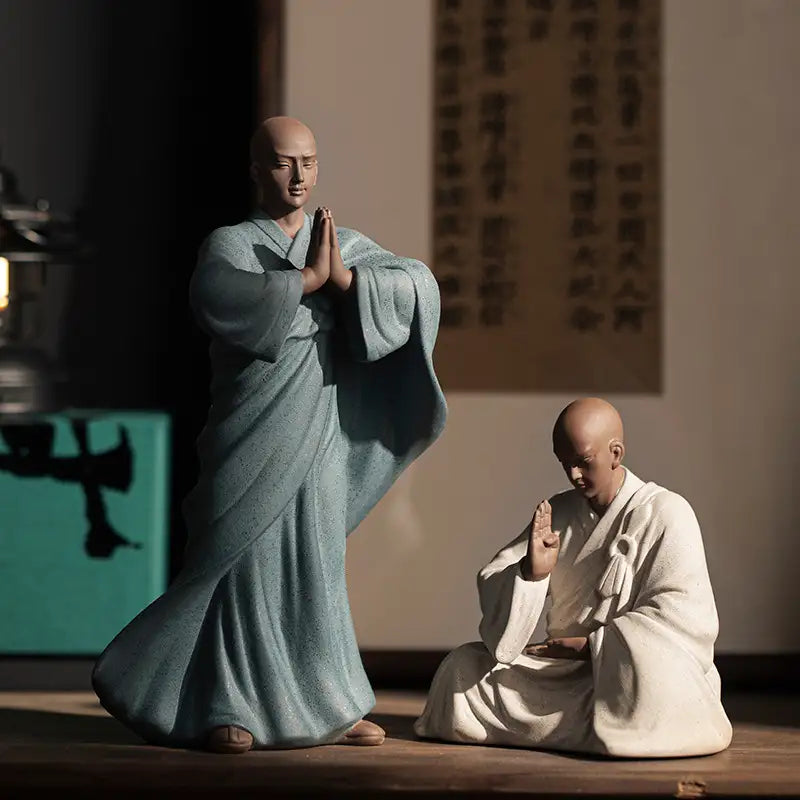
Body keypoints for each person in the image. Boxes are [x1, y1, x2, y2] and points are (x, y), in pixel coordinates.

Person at [92, 117, 447, 753]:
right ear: (258, 170)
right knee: (239, 556)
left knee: (314, 557)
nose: (300, 175)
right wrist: (305, 284)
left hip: (316, 432)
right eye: (284, 163)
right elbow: (216, 295)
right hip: (249, 428)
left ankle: (331, 703)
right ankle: (226, 704)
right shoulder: (231, 244)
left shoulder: (337, 240)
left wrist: (344, 280)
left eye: (309, 161)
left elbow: (417, 284)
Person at [415, 397, 731, 758]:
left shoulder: (667, 513)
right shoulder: (561, 512)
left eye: (583, 462)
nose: (573, 475)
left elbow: (685, 619)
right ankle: (587, 729)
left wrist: (592, 648)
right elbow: (494, 575)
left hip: (622, 673)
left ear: (615, 452)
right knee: (461, 670)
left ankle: (593, 725)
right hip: (557, 672)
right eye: (565, 464)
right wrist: (532, 573)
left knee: (660, 693)